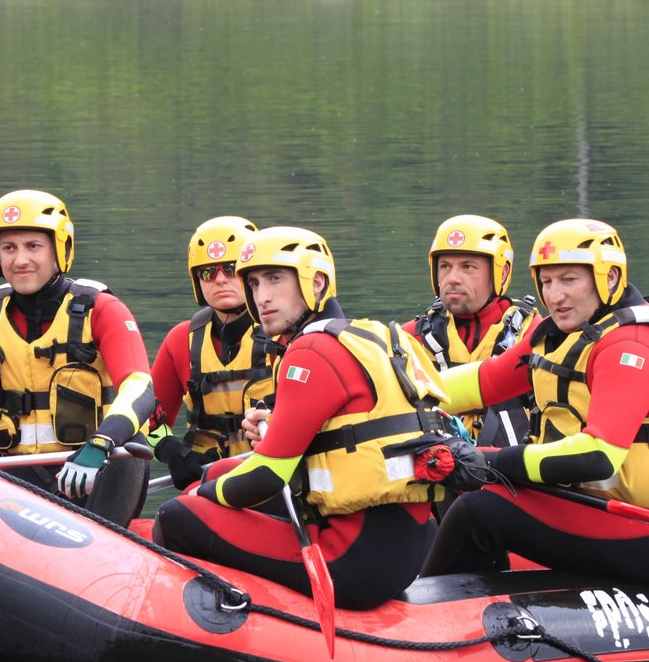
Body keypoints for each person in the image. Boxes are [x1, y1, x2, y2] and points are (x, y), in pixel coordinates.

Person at [420, 218, 649, 584]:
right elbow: (483, 382)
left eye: (569, 280)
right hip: (614, 509)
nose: (554, 296)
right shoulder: (567, 332)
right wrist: (405, 398)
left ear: (608, 279)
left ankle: (419, 620)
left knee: (478, 511)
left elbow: (596, 456)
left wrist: (486, 460)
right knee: (479, 490)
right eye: (546, 282)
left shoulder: (631, 346)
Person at [152, 226, 465, 609]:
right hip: (404, 545)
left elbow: (266, 476)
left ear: (315, 281)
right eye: (253, 283)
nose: (261, 296)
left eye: (275, 279)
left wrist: (202, 495)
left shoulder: (310, 351)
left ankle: (211, 624)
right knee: (213, 475)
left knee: (178, 513)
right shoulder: (371, 335)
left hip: (355, 559)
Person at [0, 189, 155, 523]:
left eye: (33, 246)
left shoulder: (101, 309)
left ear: (59, 250)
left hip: (94, 468)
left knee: (131, 441)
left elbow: (140, 386)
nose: (20, 260)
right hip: (17, 471)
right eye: (9, 248)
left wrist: (101, 443)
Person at [148, 216, 277, 489]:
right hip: (205, 482)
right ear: (197, 280)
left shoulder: (282, 335)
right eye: (208, 272)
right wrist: (169, 448)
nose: (219, 280)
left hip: (273, 480)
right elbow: (142, 420)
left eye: (230, 269)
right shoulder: (180, 340)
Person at [402, 215, 540, 445]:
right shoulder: (409, 339)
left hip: (512, 470)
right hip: (439, 467)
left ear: (502, 272)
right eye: (445, 266)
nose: (453, 278)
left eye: (468, 267)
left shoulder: (534, 334)